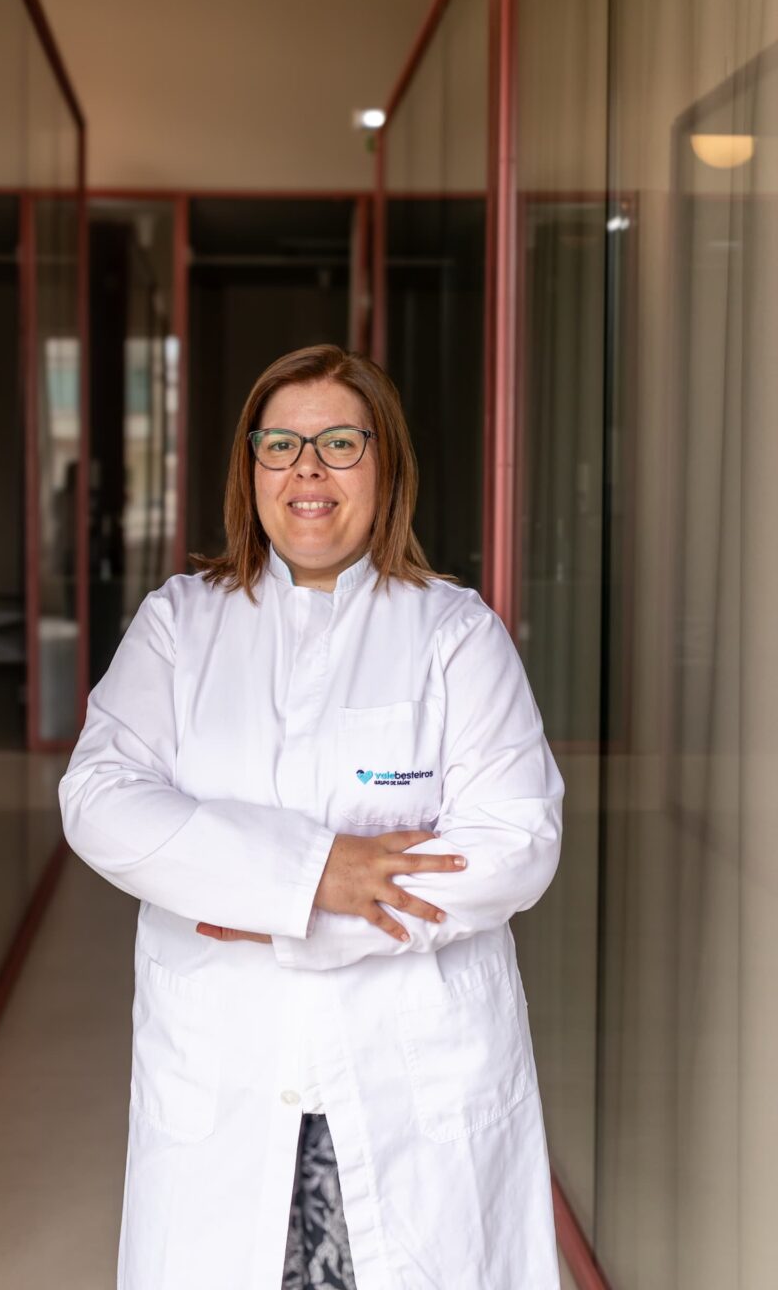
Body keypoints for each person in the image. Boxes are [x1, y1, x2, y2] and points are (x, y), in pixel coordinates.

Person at [59, 344, 564, 1290]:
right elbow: (100, 799)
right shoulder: (179, 625)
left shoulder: (455, 633)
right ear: (250, 467)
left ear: (385, 464)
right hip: (228, 1066)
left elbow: (515, 844)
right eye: (280, 444)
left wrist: (282, 910)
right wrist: (319, 874)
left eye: (339, 443)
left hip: (409, 1070)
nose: (307, 471)